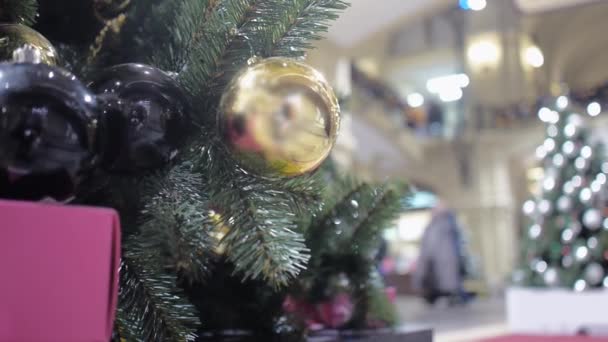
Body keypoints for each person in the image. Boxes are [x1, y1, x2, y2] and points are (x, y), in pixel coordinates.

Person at [412, 200, 470, 305]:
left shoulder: (446, 223)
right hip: (436, 261)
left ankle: (452, 298)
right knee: (440, 283)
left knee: (447, 283)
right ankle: (446, 298)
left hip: (444, 260)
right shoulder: (435, 225)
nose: (434, 211)